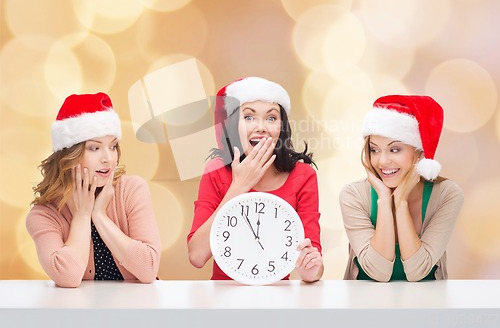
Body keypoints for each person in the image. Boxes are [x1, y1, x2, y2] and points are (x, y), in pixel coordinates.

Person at [187, 77, 323, 282]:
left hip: (278, 299)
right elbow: (197, 256)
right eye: (249, 117)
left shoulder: (303, 175)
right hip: (223, 297)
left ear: (281, 127)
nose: (261, 127)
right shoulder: (215, 171)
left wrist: (311, 269)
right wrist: (239, 186)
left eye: (271, 118)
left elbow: (314, 263)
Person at [26, 92, 161, 288]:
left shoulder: (131, 190)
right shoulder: (44, 215)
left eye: (113, 146)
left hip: (138, 310)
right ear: (69, 154)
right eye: (94, 148)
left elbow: (148, 269)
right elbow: (68, 278)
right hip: (81, 314)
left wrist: (99, 215)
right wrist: (82, 215)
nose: (108, 158)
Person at [339, 95, 464, 282]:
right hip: (364, 306)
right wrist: (383, 198)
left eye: (395, 149)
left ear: (419, 152)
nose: (382, 161)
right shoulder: (354, 195)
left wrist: (401, 202)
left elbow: (417, 271)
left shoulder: (446, 194)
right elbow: (379, 272)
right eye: (374, 150)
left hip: (427, 305)